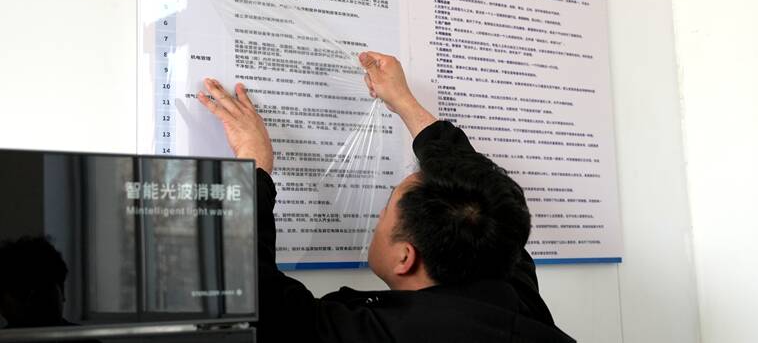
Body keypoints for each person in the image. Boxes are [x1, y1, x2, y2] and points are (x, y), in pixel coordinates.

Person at [198, 51, 575, 342]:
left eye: (384, 211)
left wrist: (253, 165)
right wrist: (404, 102)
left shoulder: (365, 335)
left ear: (405, 258)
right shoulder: (516, 298)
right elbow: (477, 190)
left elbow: (244, 293)